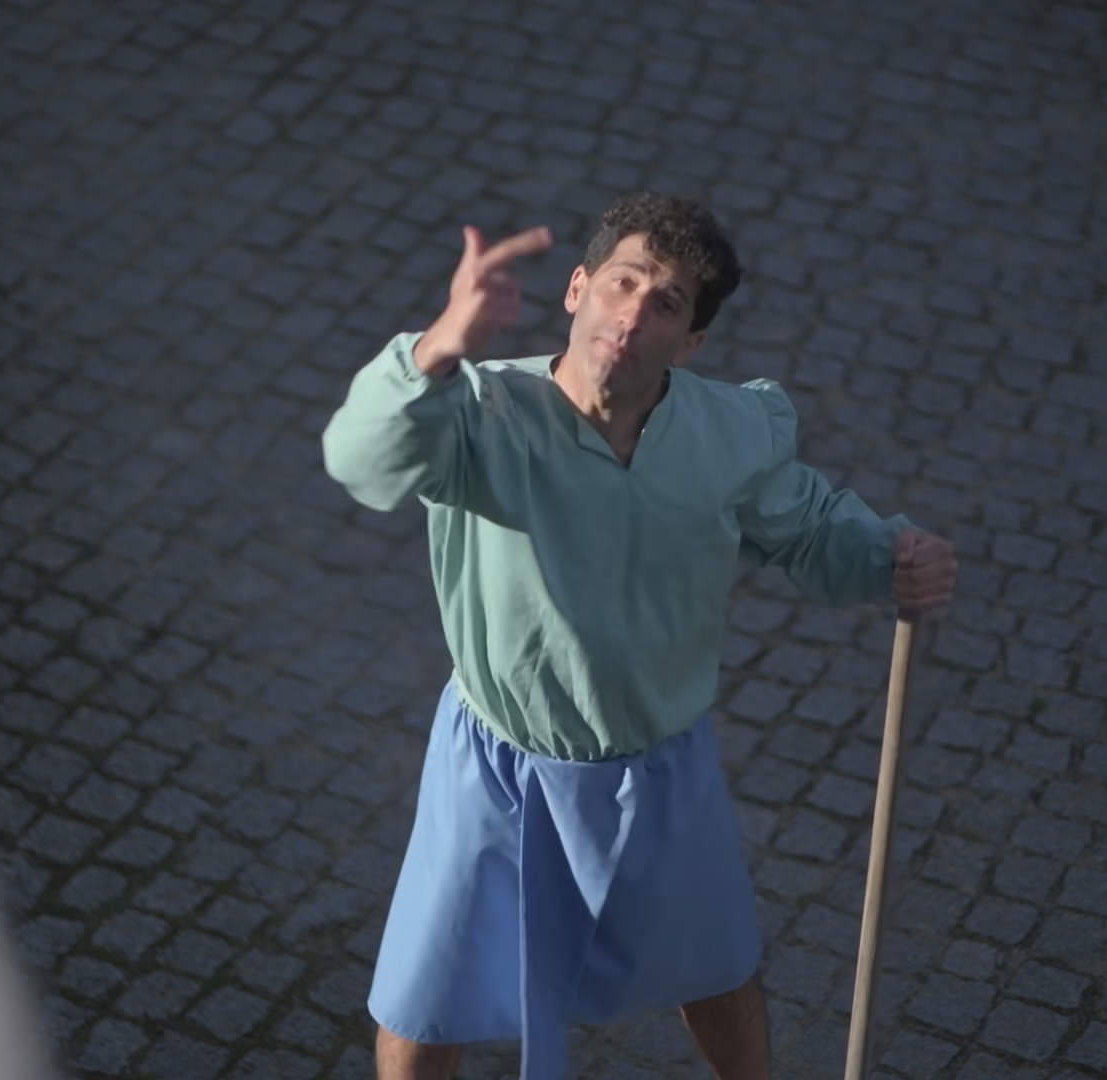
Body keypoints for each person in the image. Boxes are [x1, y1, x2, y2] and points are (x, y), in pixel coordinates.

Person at [321, 193, 957, 1080]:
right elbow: (357, 459)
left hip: (659, 770)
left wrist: (891, 557)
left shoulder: (729, 434)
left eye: (666, 303)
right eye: (623, 282)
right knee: (428, 1003)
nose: (633, 312)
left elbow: (809, 529)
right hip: (497, 768)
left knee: (719, 974)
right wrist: (437, 347)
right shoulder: (478, 413)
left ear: (690, 343)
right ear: (577, 289)